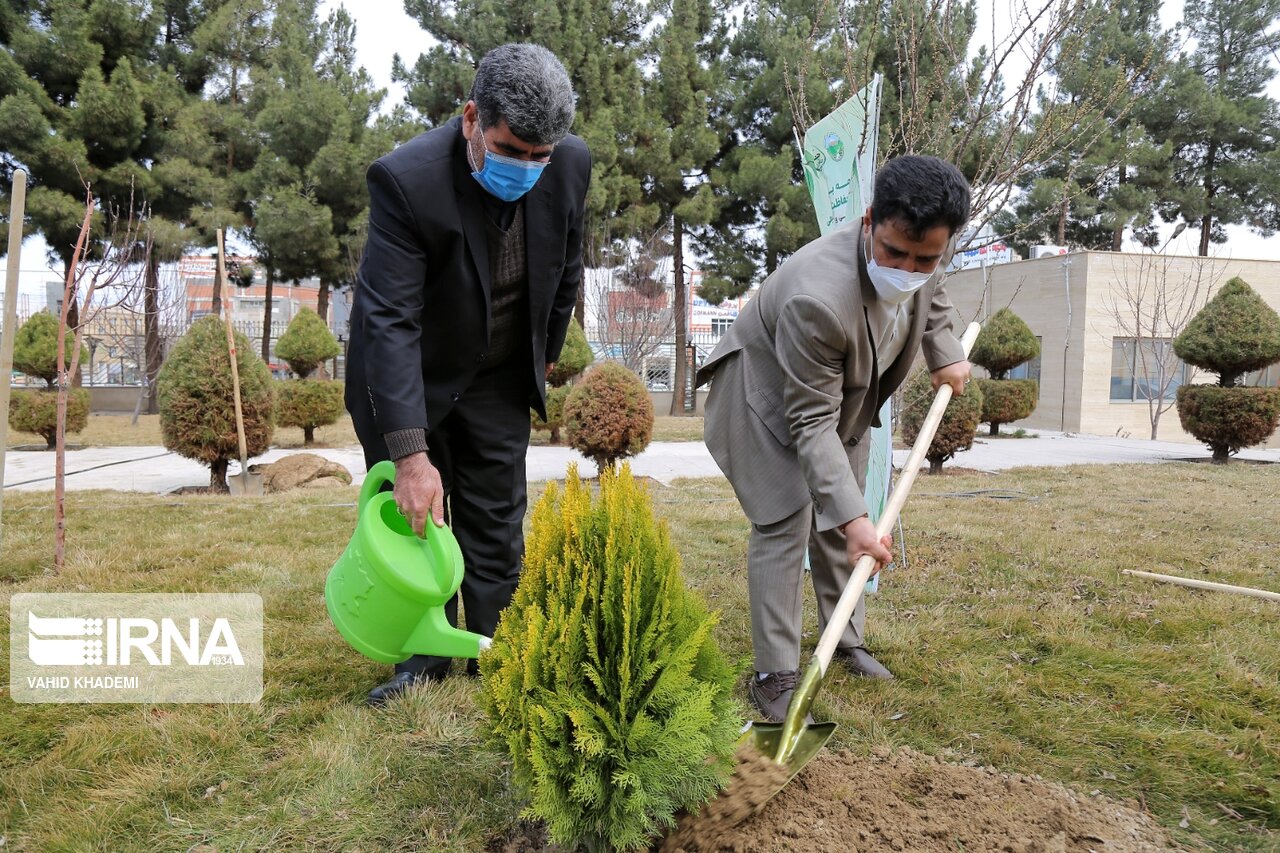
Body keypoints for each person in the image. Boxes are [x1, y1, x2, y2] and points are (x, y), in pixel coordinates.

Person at [344, 43, 591, 706]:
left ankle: (493, 649)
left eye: (543, 155)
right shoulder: (405, 180)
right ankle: (422, 655)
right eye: (513, 150)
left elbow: (568, 268)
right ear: (472, 118)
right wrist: (411, 452)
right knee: (418, 519)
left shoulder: (570, 166)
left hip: (498, 374)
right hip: (408, 374)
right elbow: (390, 320)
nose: (531, 168)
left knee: (495, 525)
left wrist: (542, 354)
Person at [695, 155, 972, 722]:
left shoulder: (923, 255)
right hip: (766, 398)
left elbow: (932, 292)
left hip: (845, 394)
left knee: (841, 521)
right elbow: (810, 422)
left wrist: (946, 354)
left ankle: (845, 640)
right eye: (894, 253)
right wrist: (855, 522)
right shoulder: (816, 297)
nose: (908, 268)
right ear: (869, 221)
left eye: (926, 257)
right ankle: (776, 672)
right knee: (786, 519)